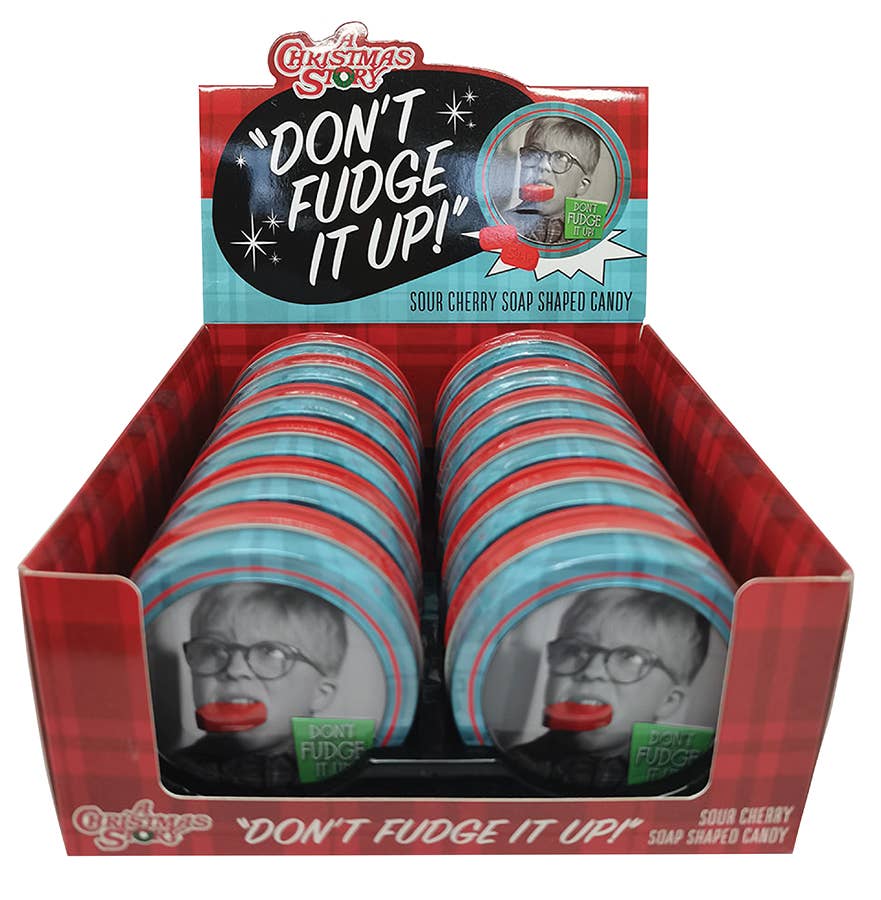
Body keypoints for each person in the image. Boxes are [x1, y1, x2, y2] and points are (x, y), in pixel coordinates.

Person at [506, 587, 710, 792]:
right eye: (574, 649)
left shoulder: (673, 778)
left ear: (669, 701)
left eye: (628, 657)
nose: (592, 671)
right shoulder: (513, 764)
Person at [170, 581, 347, 791]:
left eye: (270, 652)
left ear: (320, 694)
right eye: (212, 650)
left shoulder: (343, 769)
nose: (235, 669)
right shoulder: (173, 772)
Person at [505, 116, 602, 244]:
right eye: (533, 153)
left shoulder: (589, 232)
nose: (543, 165)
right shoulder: (503, 222)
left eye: (561, 158)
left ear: (582, 185)